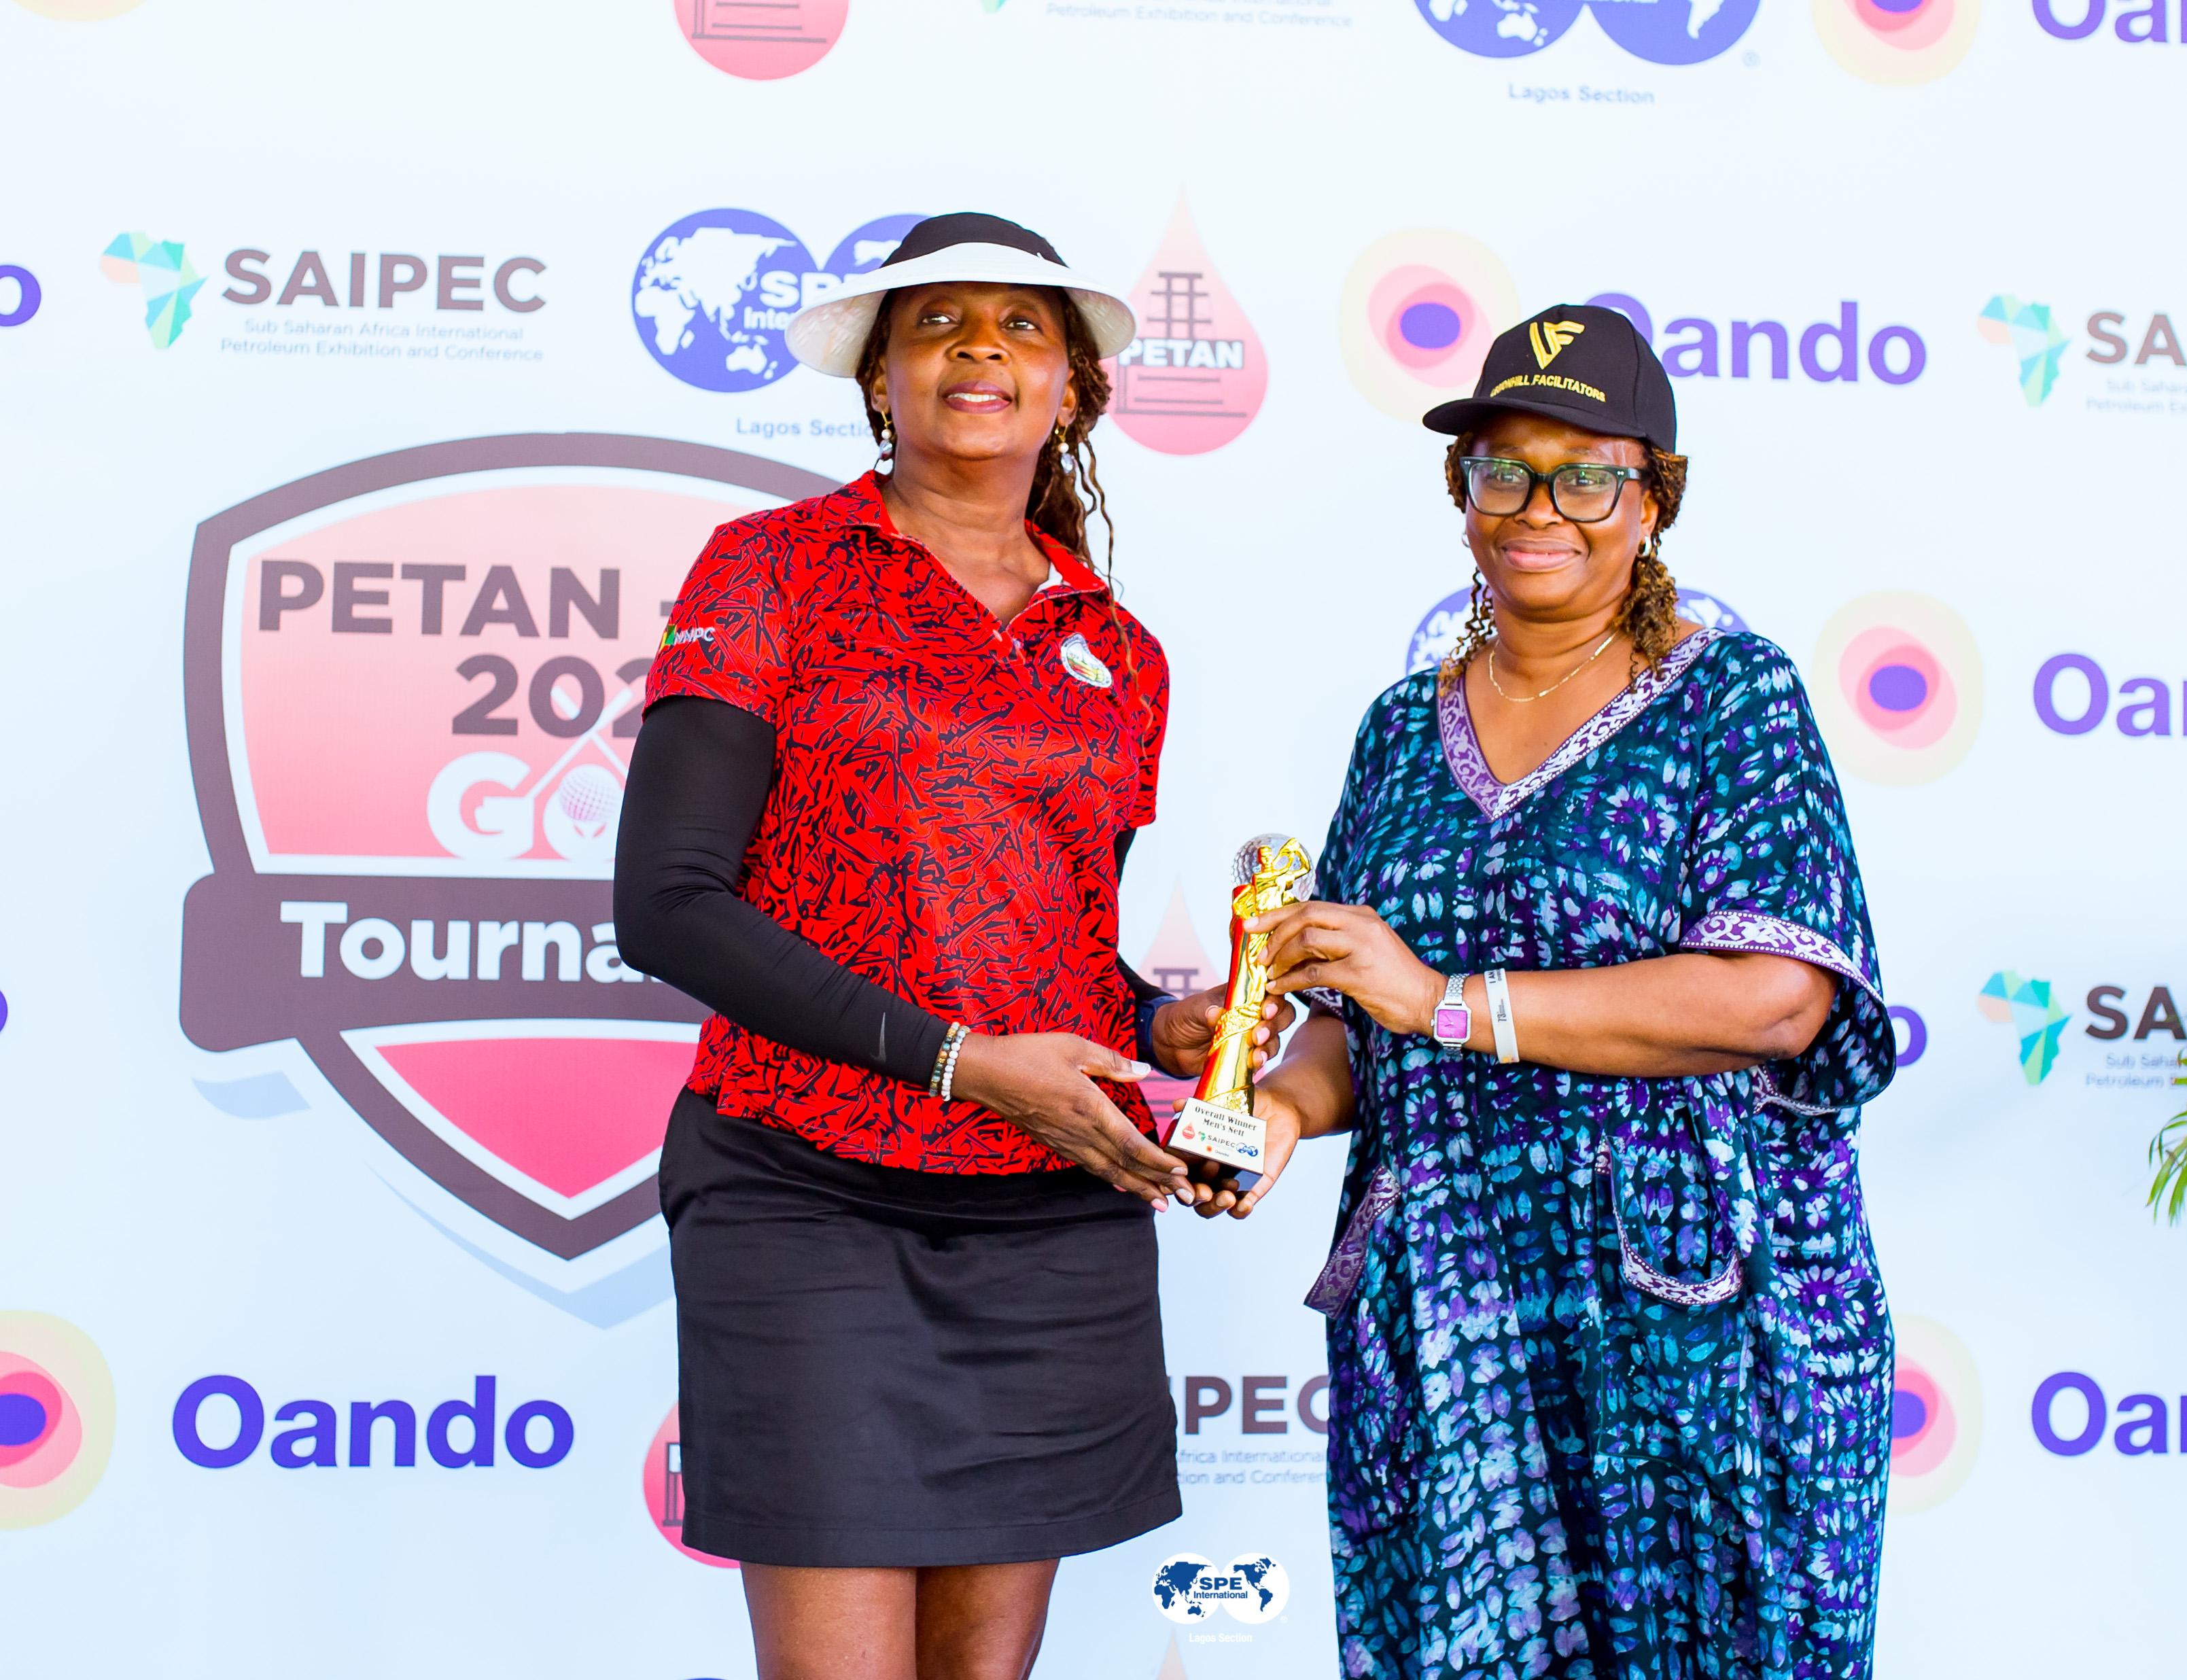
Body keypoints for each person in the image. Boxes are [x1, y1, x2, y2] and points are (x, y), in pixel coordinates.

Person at [613, 213, 1275, 1680]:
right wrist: (963, 1064)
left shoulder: (1120, 651)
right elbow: (665, 903)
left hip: (1046, 1213)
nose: (981, 346)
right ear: (879, 379)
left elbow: (1050, 949)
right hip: (804, 1191)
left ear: (1073, 388)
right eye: (937, 321)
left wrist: (1160, 1029)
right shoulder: (769, 569)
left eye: (1022, 324)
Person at [1202, 306, 1899, 1678]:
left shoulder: (1731, 697)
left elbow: (1778, 1000)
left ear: (1652, 501)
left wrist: (1452, 1003)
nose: (1538, 509)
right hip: (1450, 1314)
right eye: (1503, 471)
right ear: (1459, 491)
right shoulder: (1399, 731)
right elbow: (1358, 1013)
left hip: (1696, 1322)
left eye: (1585, 476)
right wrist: (1275, 1108)